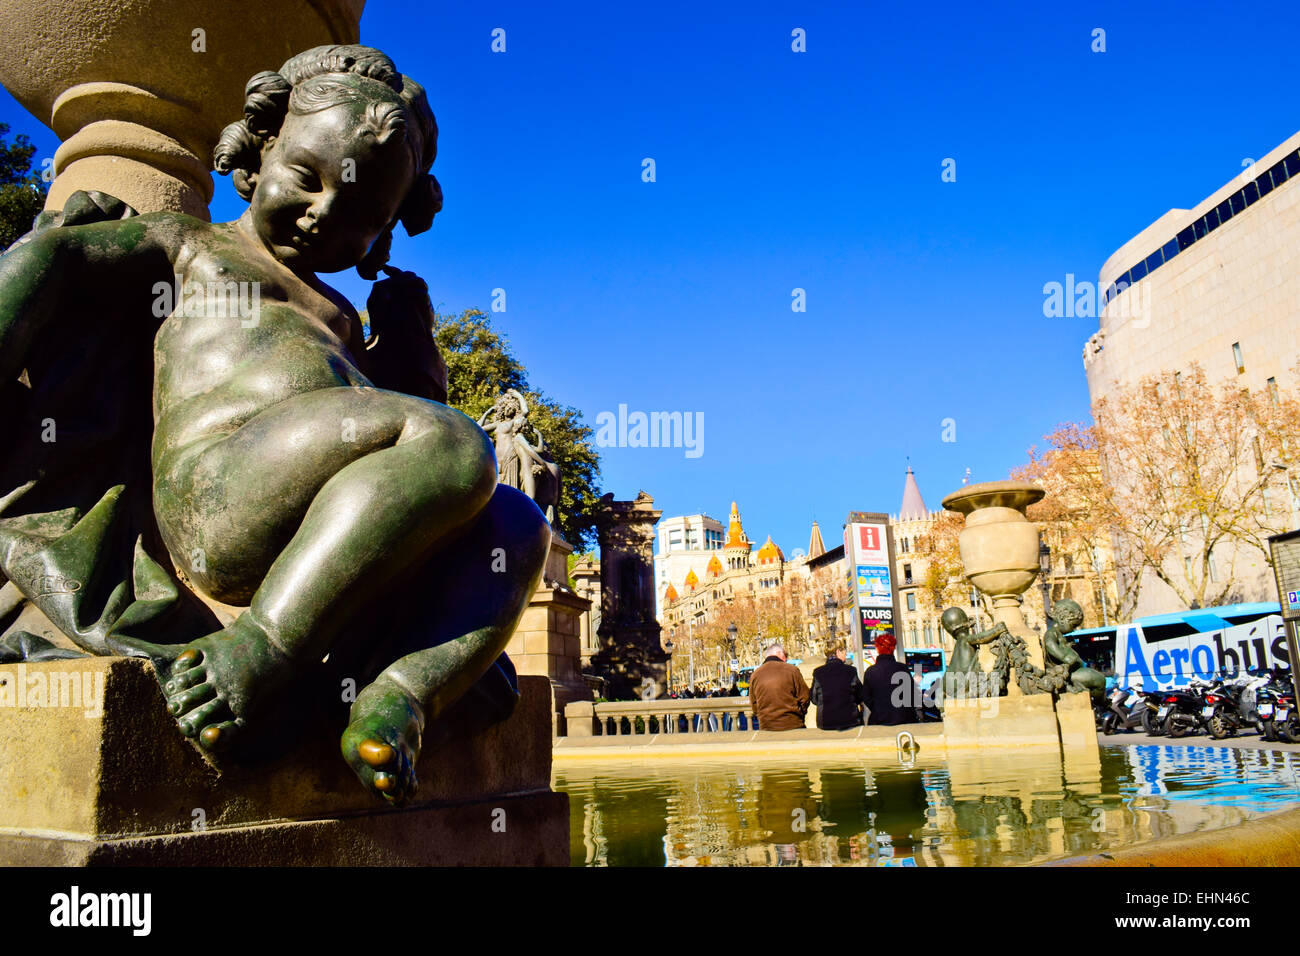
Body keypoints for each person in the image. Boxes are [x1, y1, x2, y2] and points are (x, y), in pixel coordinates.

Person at [0, 45, 549, 803]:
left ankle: (398, 698)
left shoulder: (346, 319)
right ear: (258, 153)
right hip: (222, 496)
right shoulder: (196, 248)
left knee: (517, 522)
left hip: (327, 532)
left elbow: (418, 465)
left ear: (386, 232)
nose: (326, 210)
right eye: (306, 177)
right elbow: (54, 261)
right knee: (456, 443)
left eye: (361, 212)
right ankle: (258, 650)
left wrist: (415, 350)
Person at [748, 643, 810, 731]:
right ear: (778, 653)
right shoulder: (792, 670)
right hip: (793, 724)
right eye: (785, 655)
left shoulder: (755, 674)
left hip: (767, 726)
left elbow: (754, 704)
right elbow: (805, 697)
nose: (787, 658)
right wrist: (799, 713)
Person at [862, 633, 920, 725]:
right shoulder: (903, 669)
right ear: (893, 648)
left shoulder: (870, 672)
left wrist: (877, 708)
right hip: (903, 719)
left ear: (877, 649)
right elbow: (912, 695)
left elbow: (866, 697)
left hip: (879, 720)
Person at [810, 641, 862, 730]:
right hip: (850, 721)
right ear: (838, 652)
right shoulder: (851, 671)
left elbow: (814, 698)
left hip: (826, 723)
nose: (846, 653)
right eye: (844, 650)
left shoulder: (818, 672)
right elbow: (860, 695)